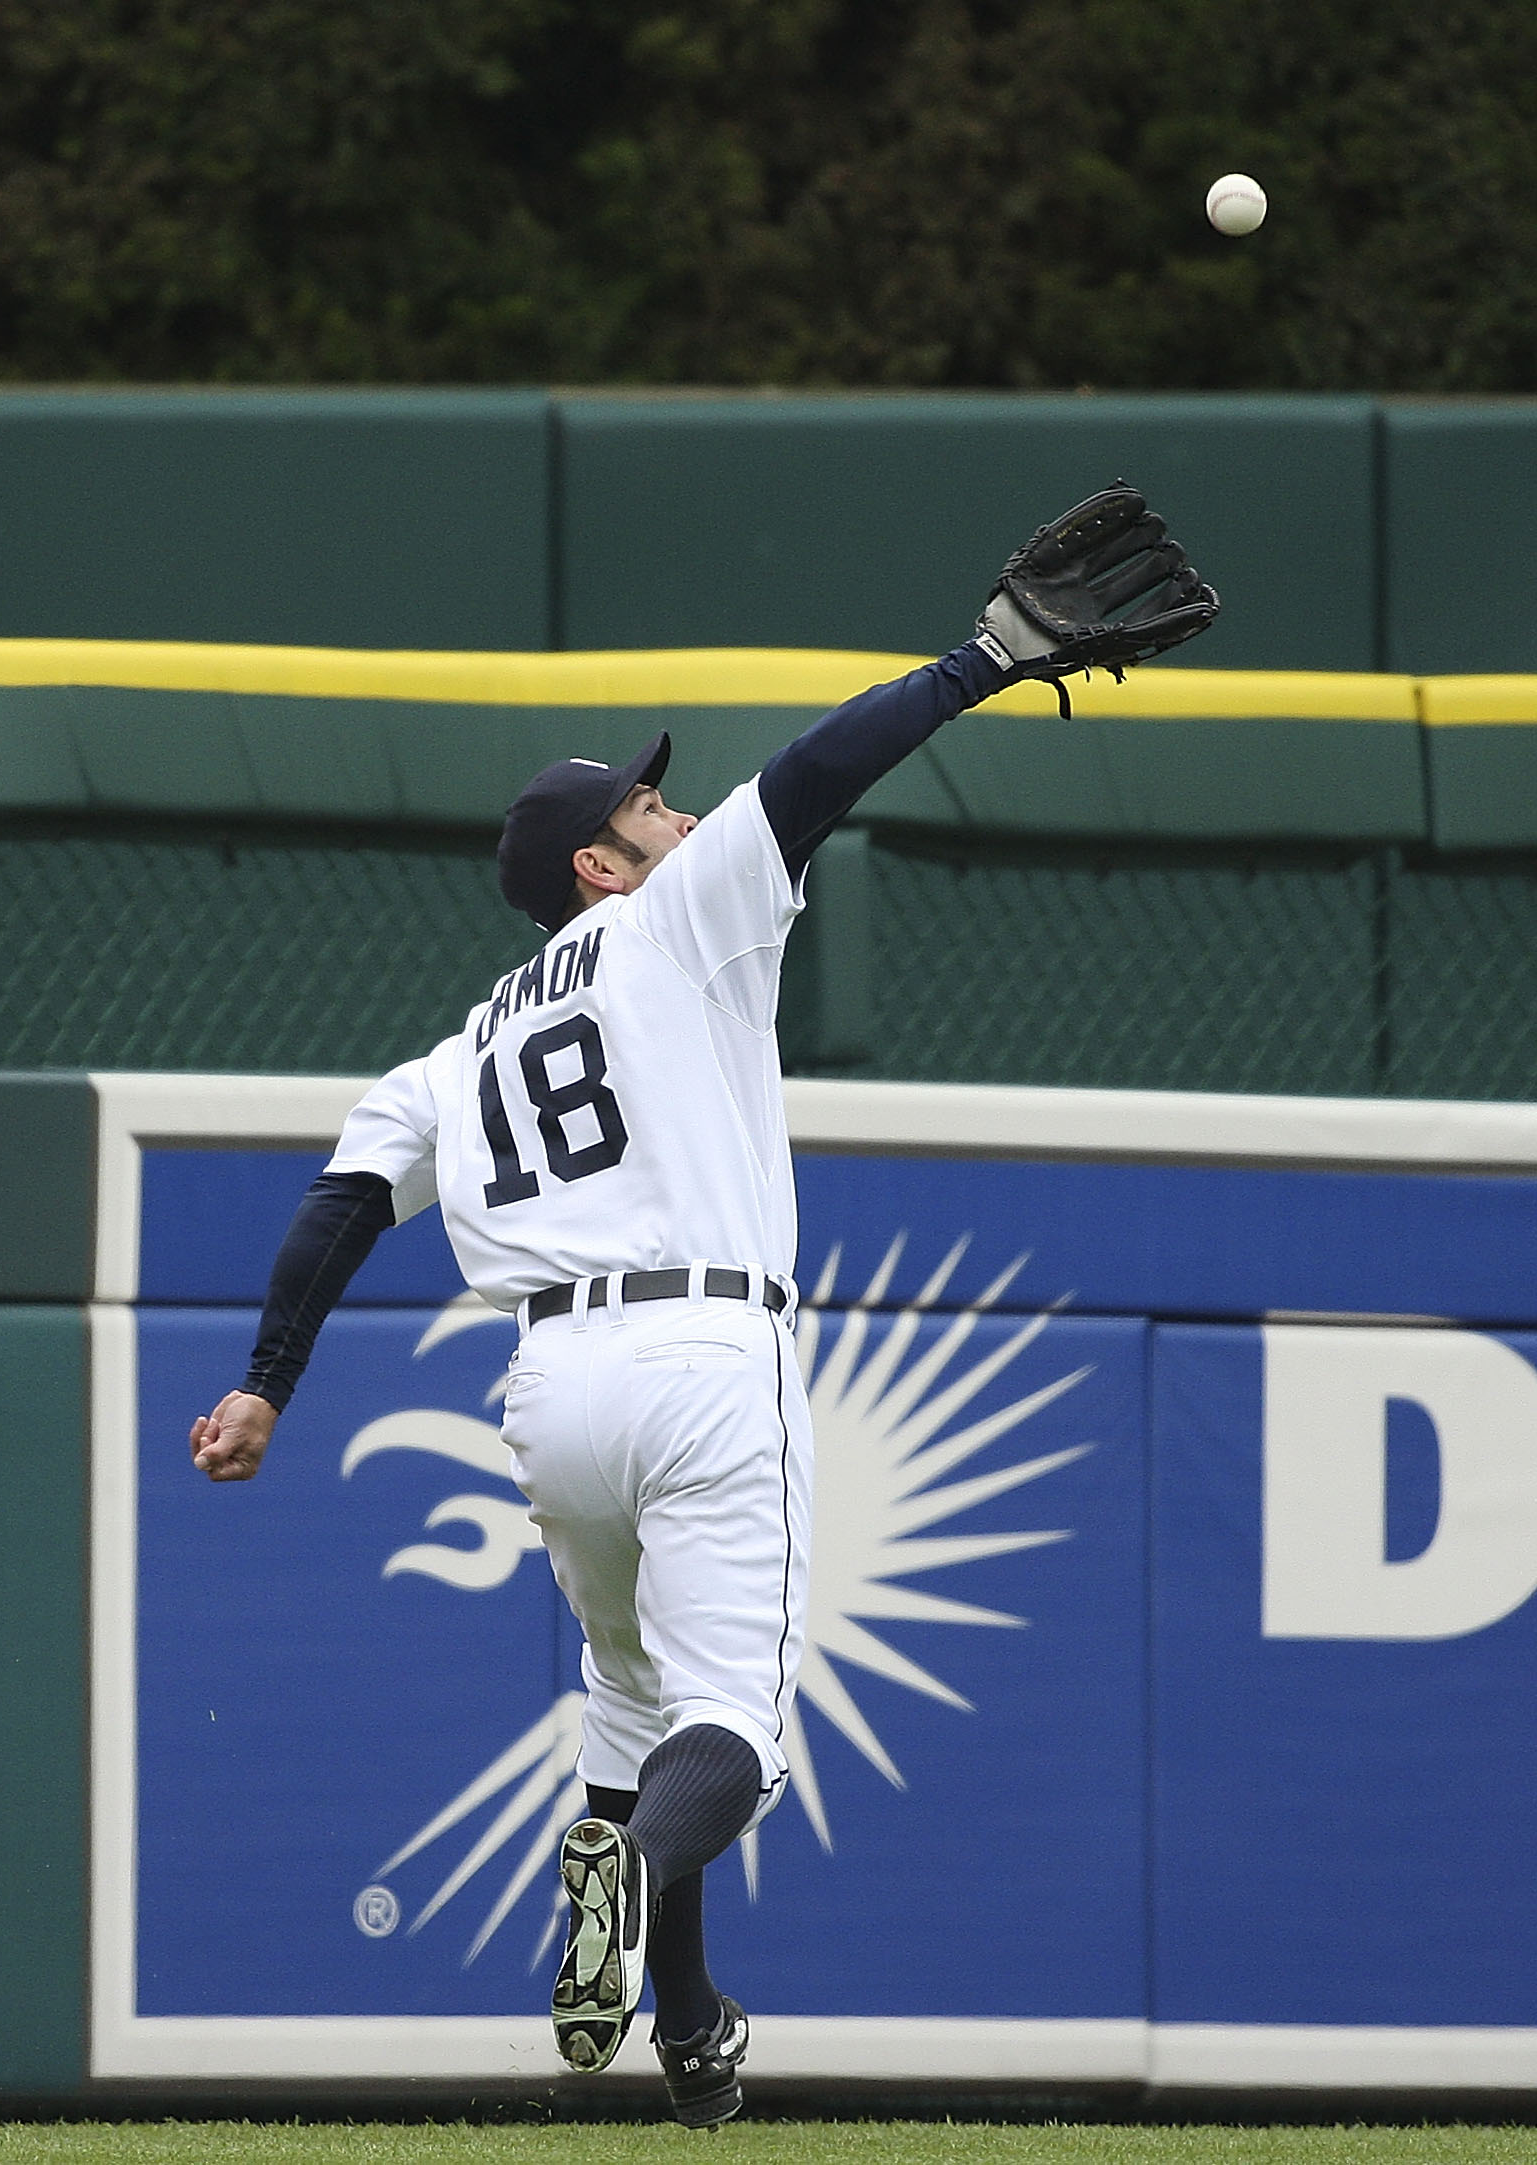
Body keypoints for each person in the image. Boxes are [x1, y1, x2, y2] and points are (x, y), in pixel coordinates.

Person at [189, 493, 1213, 2127]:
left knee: (632, 1712)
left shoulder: (456, 1053)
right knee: (730, 1731)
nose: (673, 812)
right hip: (703, 1352)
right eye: (647, 804)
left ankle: (686, 2014)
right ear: (597, 864)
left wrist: (262, 1386)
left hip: (549, 1397)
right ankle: (623, 1874)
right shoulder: (675, 918)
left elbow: (338, 1208)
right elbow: (817, 774)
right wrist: (992, 659)